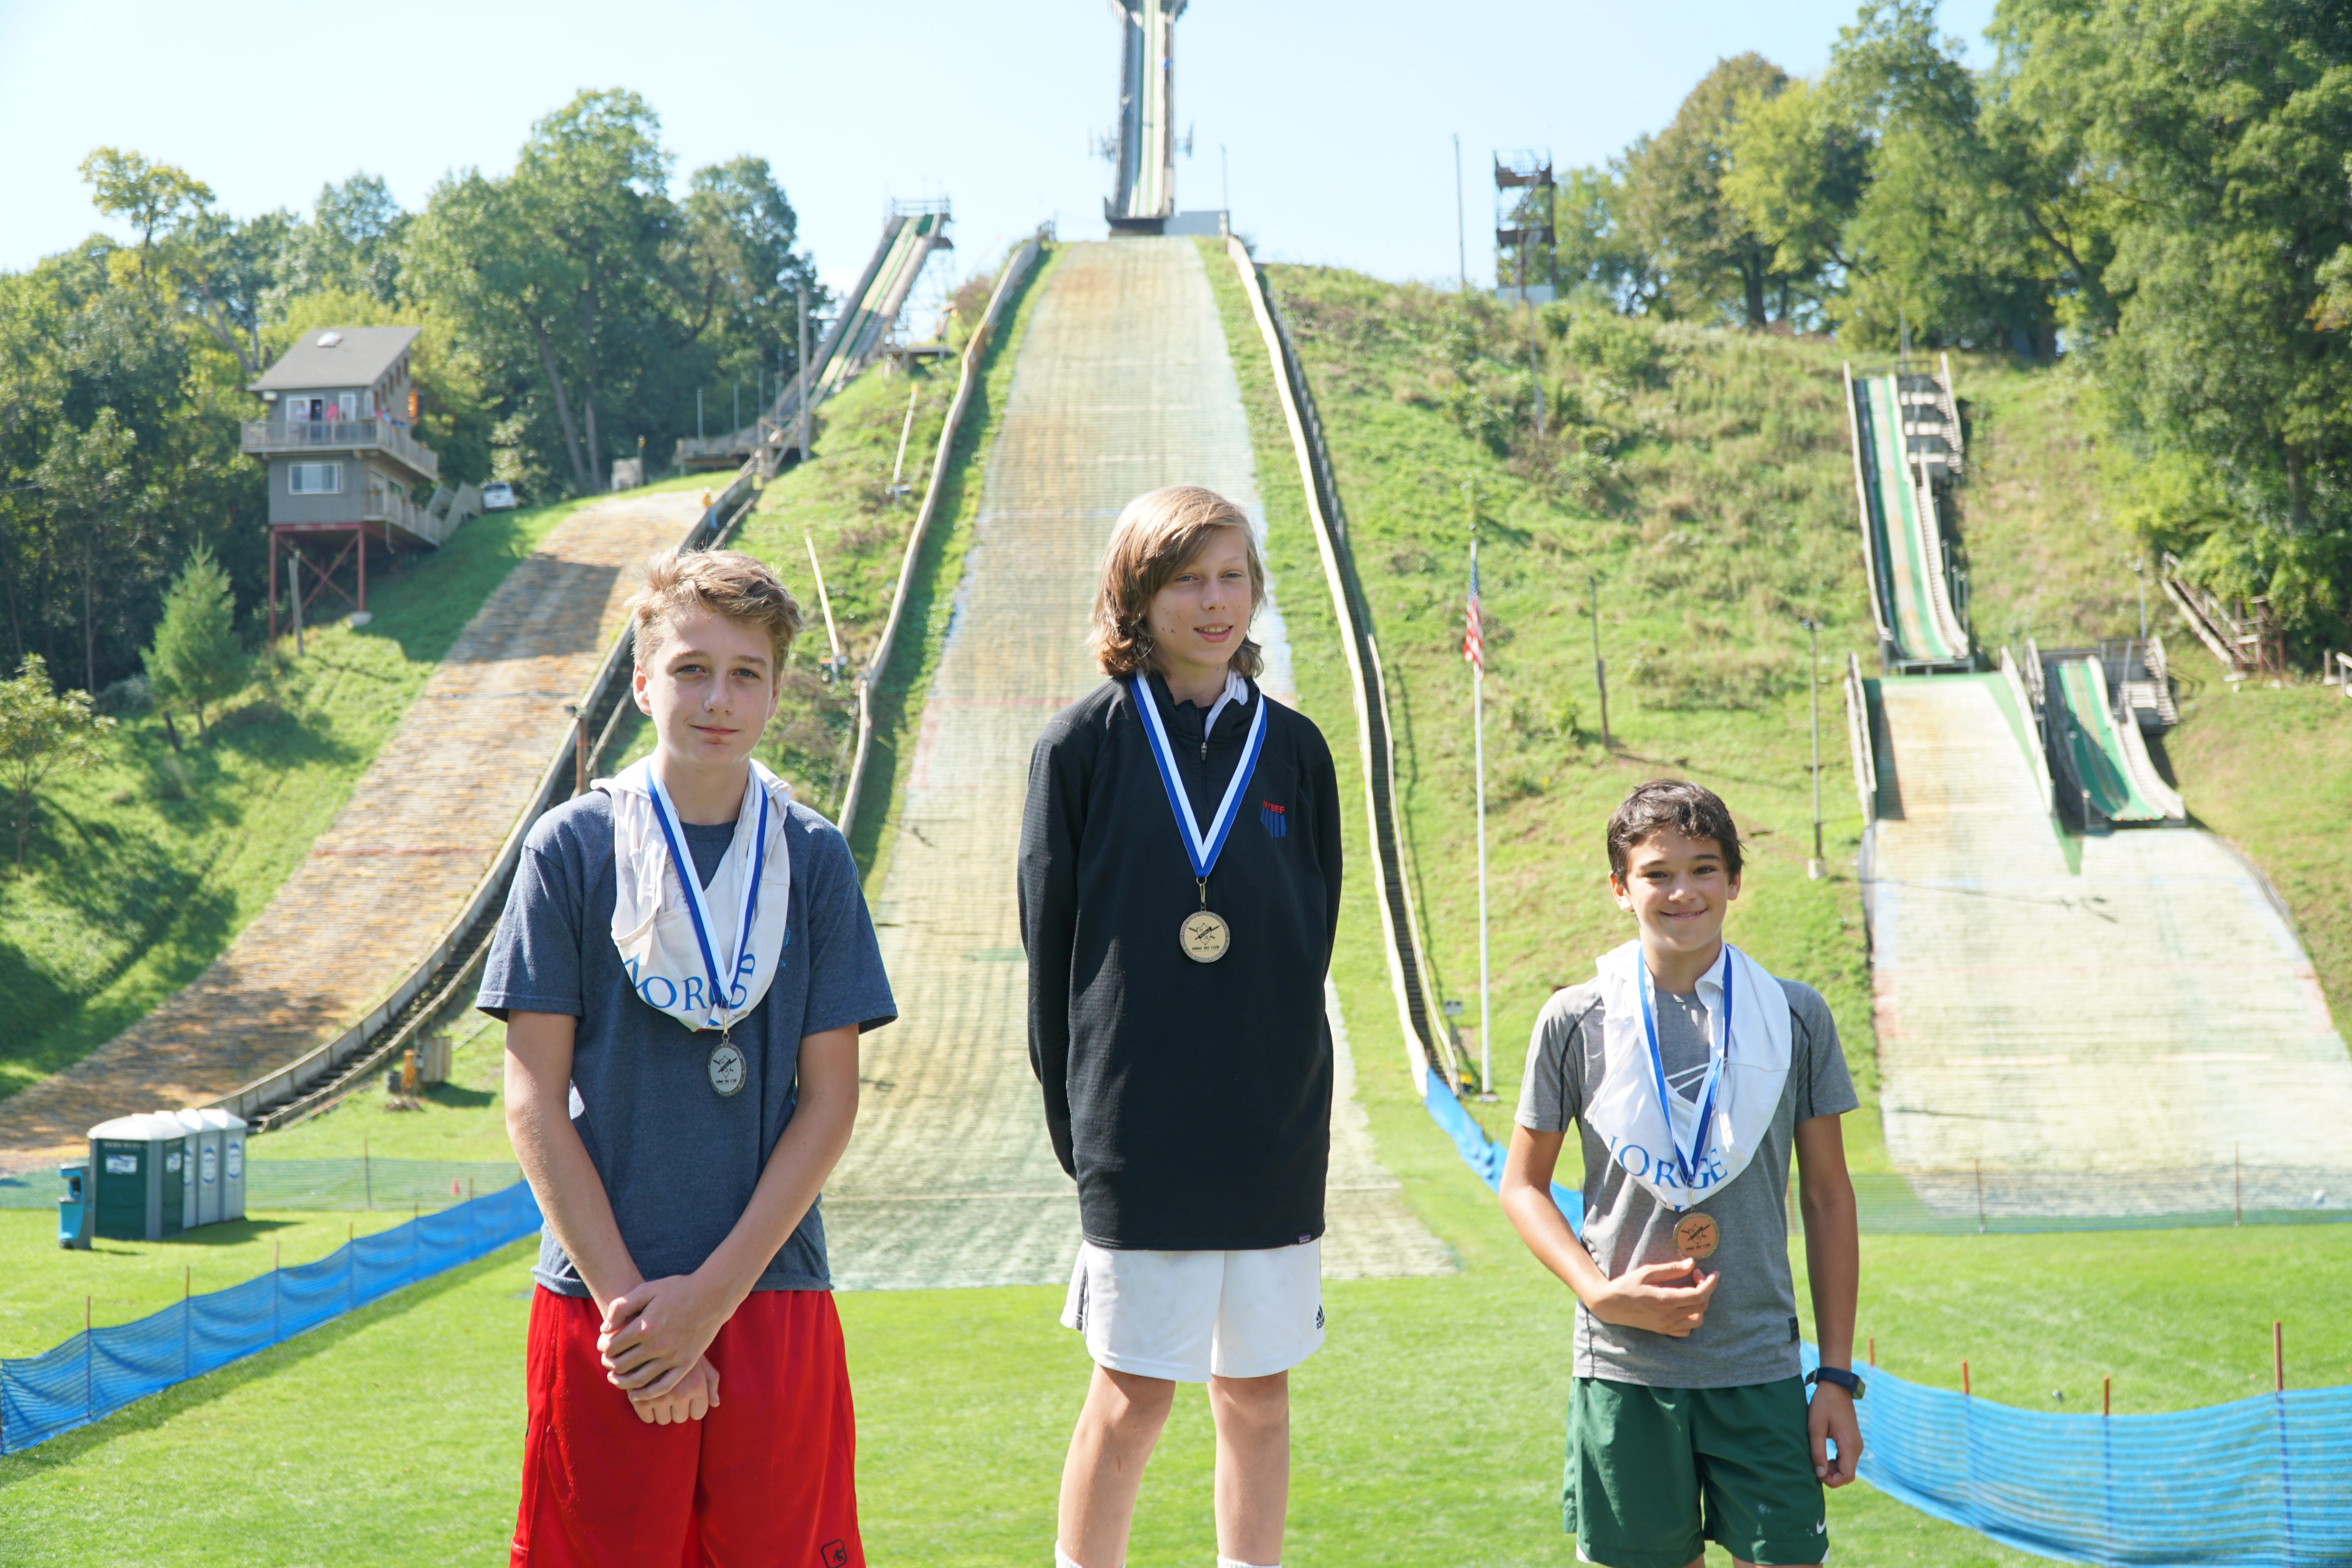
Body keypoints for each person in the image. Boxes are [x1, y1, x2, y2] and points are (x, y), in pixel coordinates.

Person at [483, 546, 896, 1567]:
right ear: (641, 681)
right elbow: (532, 1099)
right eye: (691, 669)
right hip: (605, 1303)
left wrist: (707, 1303)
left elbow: (830, 1102)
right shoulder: (570, 850)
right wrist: (641, 1321)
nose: (718, 699)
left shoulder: (814, 855)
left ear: (776, 691)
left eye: (746, 673)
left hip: (770, 1291)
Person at [1020, 485, 1345, 1568]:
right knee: (1133, 1396)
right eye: (1187, 580)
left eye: (1232, 577)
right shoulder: (1081, 746)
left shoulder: (1296, 750)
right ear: (1137, 594)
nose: (1215, 602)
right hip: (1139, 1132)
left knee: (1257, 1395)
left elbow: (1312, 938)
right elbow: (1050, 957)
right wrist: (1085, 1134)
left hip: (1271, 1132)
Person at [1498, 779, 1863, 1568]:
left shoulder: (1795, 1015)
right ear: (1619, 888)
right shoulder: (1575, 1019)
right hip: (1626, 1369)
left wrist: (1835, 1374)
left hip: (1759, 1367)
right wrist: (1599, 1292)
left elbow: (1829, 1198)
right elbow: (1522, 1184)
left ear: (1735, 880)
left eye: (1703, 869)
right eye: (1657, 873)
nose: (1682, 891)